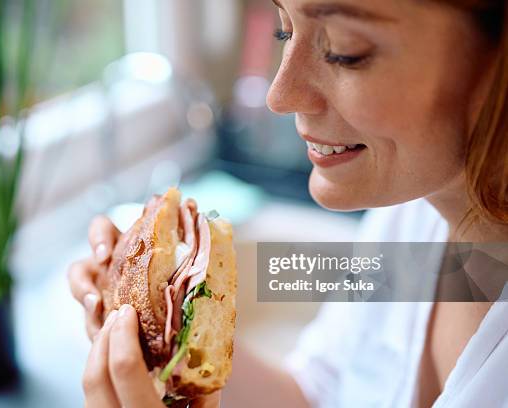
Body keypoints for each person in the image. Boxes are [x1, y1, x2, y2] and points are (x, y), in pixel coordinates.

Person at [68, 0, 508, 406]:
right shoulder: (413, 211)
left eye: (343, 50)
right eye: (285, 31)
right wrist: (178, 338)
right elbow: (321, 392)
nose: (279, 95)